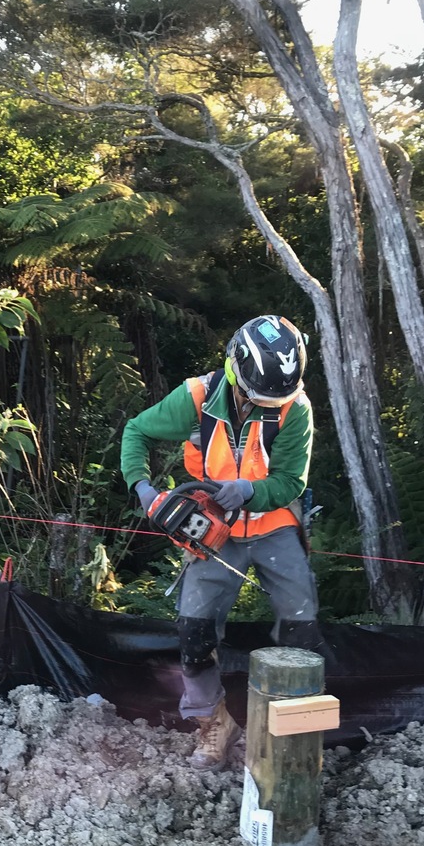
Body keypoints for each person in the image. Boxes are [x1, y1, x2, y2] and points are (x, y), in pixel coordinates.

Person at [121, 315, 320, 770]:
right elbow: (137, 431)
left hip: (273, 523)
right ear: (237, 369)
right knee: (194, 626)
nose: (264, 403)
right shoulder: (196, 396)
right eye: (257, 395)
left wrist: (252, 490)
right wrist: (145, 490)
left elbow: (291, 479)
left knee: (301, 621)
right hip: (216, 527)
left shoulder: (295, 408)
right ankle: (213, 721)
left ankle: (288, 731)